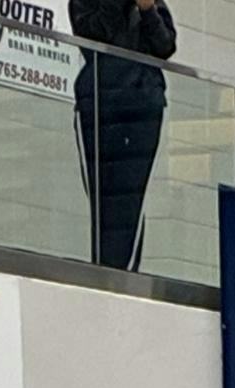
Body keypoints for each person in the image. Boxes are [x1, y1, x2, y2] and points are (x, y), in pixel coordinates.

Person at [69, 0, 178, 271]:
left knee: (132, 198)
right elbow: (93, 32)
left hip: (143, 103)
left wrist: (147, 9)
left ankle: (126, 272)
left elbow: (165, 46)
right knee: (104, 199)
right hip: (100, 103)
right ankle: (105, 271)